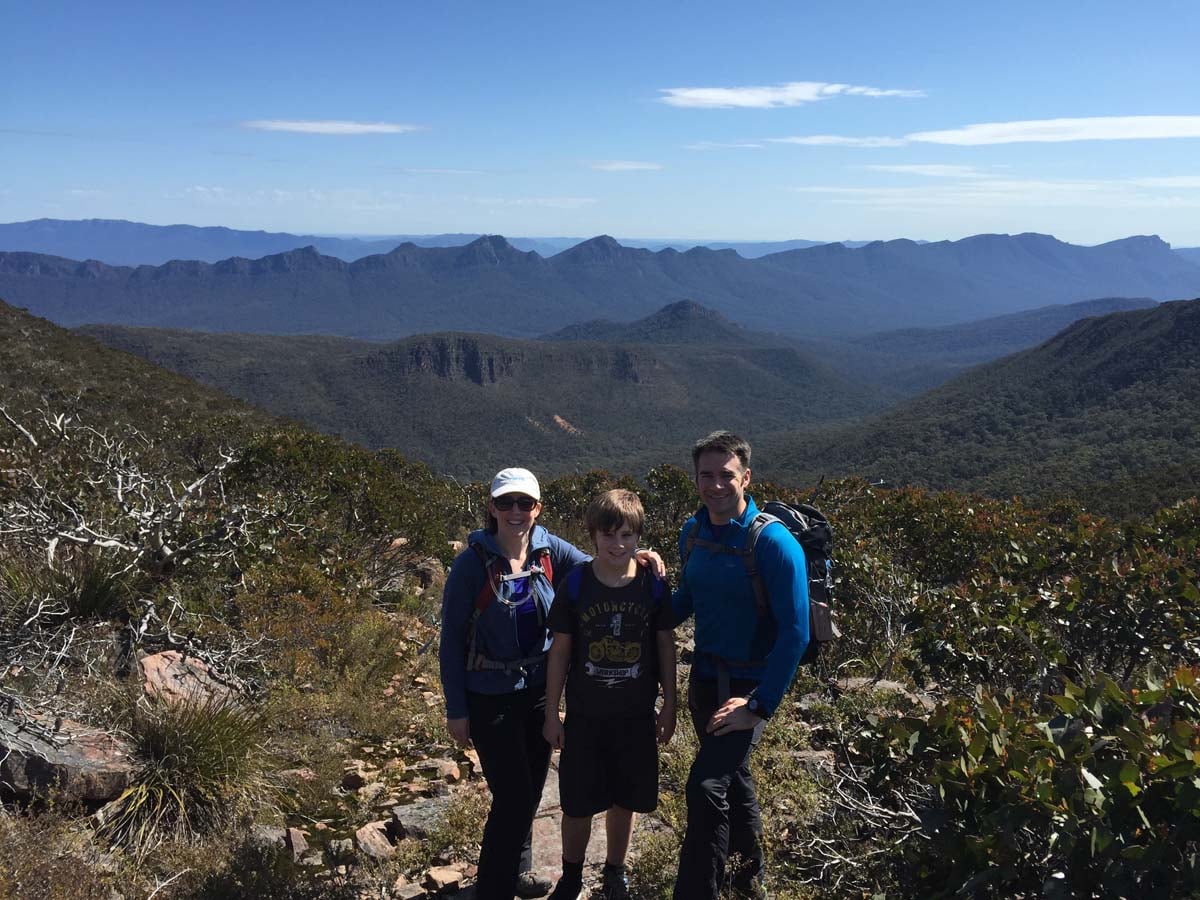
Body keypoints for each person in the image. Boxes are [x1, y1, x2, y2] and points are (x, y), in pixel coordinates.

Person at [439, 468, 663, 900]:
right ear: (492, 508)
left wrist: (638, 555)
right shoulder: (471, 565)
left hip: (539, 690)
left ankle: (519, 871)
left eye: (525, 503)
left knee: (532, 788)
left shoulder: (549, 551)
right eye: (505, 503)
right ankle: (493, 888)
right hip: (489, 693)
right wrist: (456, 708)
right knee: (514, 797)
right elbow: (450, 639)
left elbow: (601, 564)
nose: (515, 512)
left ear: (538, 508)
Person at [670, 432, 810, 900]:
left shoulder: (773, 542)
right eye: (705, 475)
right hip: (705, 679)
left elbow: (796, 632)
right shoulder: (693, 534)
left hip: (748, 686)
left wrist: (757, 706)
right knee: (734, 779)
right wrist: (631, 587)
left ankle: (699, 891)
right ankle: (749, 880)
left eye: (725, 475)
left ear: (746, 477)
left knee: (706, 784)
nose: (715, 485)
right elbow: (685, 601)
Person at [542, 490, 676, 900]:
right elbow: (561, 650)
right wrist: (552, 712)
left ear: (638, 537)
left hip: (635, 716)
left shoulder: (652, 585)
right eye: (608, 534)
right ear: (593, 535)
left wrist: (669, 703)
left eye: (627, 535)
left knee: (625, 800)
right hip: (585, 716)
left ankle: (615, 870)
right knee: (577, 803)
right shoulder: (577, 584)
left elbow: (665, 645)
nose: (618, 544)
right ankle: (571, 874)